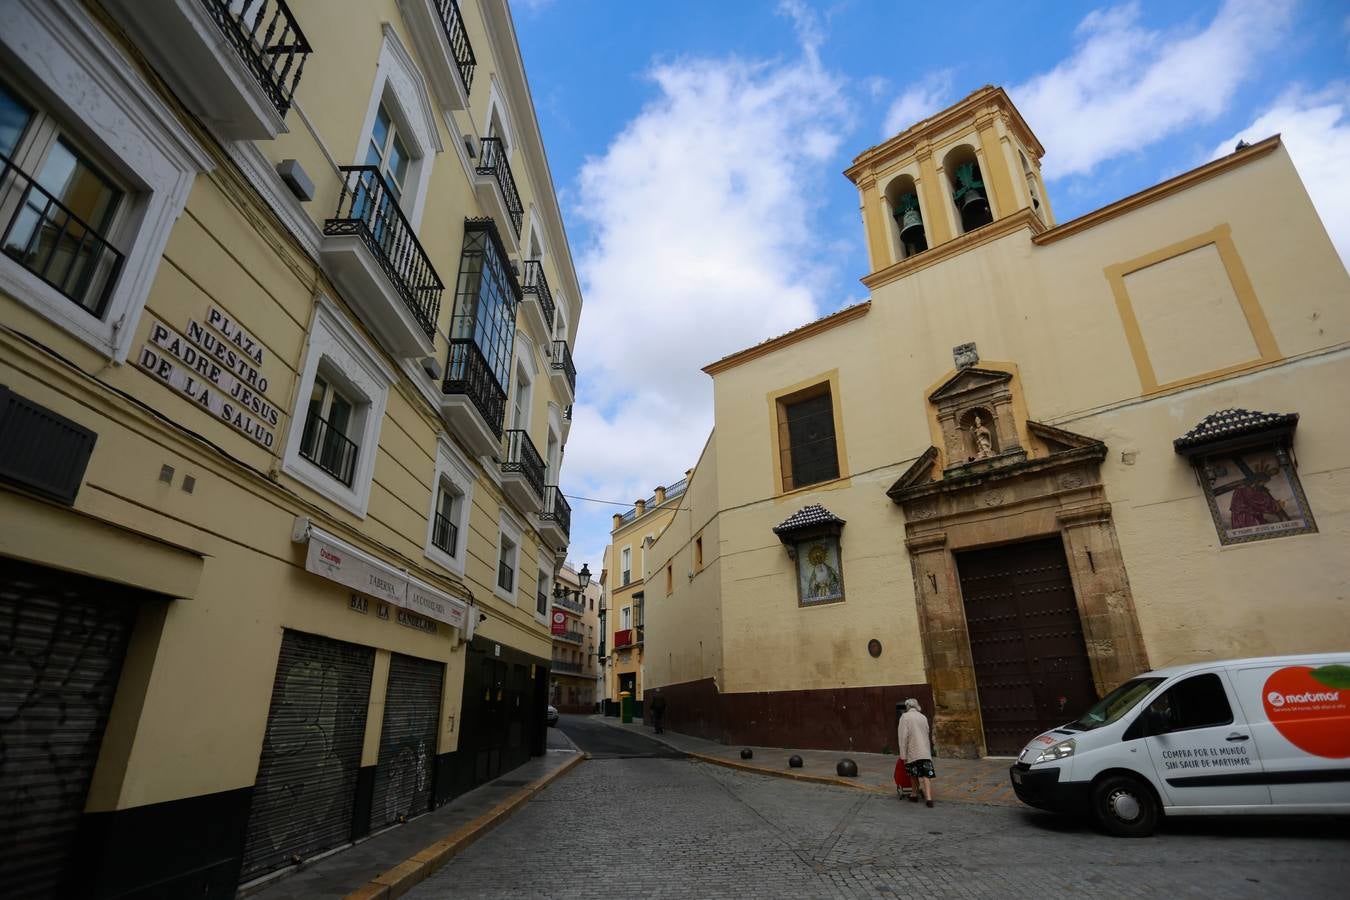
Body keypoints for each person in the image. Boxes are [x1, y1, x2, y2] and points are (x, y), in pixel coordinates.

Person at [898, 698, 935, 807]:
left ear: (907, 707)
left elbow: (903, 738)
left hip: (913, 751)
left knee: (913, 774)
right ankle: (929, 798)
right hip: (925, 751)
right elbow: (927, 731)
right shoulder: (923, 717)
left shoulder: (905, 717)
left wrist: (903, 755)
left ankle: (914, 794)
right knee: (926, 775)